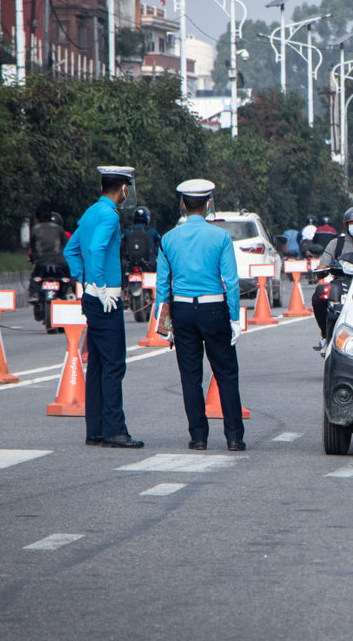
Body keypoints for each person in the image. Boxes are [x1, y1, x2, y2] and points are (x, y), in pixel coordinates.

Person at [156, 179, 246, 452]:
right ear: (208, 205)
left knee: (190, 376)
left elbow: (162, 285)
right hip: (214, 309)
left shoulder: (168, 238)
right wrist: (234, 319)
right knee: (226, 373)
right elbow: (230, 281)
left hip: (182, 311)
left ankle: (198, 437)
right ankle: (234, 437)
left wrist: (164, 323)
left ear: (183, 205)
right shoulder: (220, 237)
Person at [65, 166, 144, 449]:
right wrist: (99, 285)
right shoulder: (109, 215)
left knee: (98, 365)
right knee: (113, 365)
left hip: (91, 295)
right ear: (123, 189)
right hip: (105, 298)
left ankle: (96, 430)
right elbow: (98, 248)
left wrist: (83, 279)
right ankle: (114, 430)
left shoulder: (89, 213)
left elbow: (71, 250)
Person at [311, 207, 353, 342]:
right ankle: (326, 334)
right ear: (346, 225)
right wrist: (322, 268)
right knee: (318, 296)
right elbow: (322, 269)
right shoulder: (336, 244)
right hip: (339, 284)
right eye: (352, 223)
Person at [29, 203, 69, 303]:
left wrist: (34, 259)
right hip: (60, 263)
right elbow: (68, 246)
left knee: (35, 278)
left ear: (37, 218)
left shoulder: (35, 229)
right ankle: (69, 292)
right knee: (69, 276)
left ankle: (35, 294)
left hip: (41, 264)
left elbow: (32, 248)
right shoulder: (59, 229)